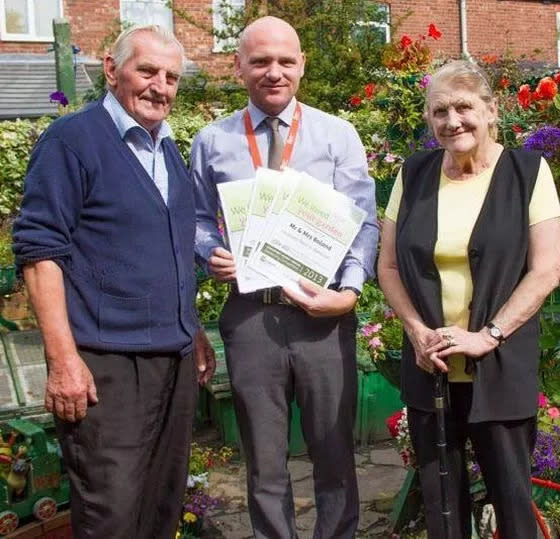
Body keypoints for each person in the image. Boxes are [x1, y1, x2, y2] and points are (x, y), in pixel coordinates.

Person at [11, 25, 216, 539]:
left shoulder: (168, 151)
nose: (160, 86)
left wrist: (188, 327)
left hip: (172, 360)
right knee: (112, 514)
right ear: (110, 69)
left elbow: (165, 250)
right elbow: (39, 253)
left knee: (162, 505)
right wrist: (62, 361)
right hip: (107, 368)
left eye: (171, 77)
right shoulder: (72, 142)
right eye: (147, 71)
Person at [191, 16, 378, 539]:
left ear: (302, 66)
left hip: (322, 318)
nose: (273, 72)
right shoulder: (212, 140)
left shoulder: (337, 136)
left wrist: (350, 292)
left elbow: (362, 220)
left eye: (285, 61)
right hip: (250, 317)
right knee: (263, 460)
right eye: (260, 61)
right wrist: (211, 252)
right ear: (239, 67)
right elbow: (198, 219)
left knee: (334, 454)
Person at [377, 60, 560, 538]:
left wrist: (489, 336)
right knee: (442, 508)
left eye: (464, 107)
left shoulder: (528, 172)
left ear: (491, 111)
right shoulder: (413, 173)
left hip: (499, 369)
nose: (452, 121)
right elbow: (389, 266)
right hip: (430, 368)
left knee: (513, 504)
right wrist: (417, 333)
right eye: (440, 111)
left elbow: (546, 270)